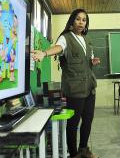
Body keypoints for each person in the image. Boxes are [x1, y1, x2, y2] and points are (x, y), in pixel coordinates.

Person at [32, 9, 100, 158]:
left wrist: (93, 62)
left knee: (88, 121)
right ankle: (74, 154)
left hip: (90, 87)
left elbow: (88, 59)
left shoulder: (87, 40)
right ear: (72, 21)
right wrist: (44, 53)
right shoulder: (66, 38)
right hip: (75, 89)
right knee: (73, 124)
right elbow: (58, 48)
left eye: (84, 20)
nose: (81, 22)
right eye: (78, 19)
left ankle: (84, 150)